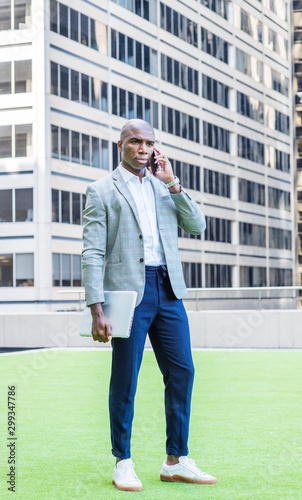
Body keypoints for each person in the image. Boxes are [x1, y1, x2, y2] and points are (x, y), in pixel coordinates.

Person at [81, 119, 217, 491]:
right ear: (121, 145)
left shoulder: (163, 187)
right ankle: (122, 461)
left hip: (168, 289)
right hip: (127, 295)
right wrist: (96, 307)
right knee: (126, 377)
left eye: (149, 143)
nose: (143, 148)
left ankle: (176, 459)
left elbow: (198, 225)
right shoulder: (101, 190)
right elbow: (92, 252)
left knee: (182, 371)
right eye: (135, 142)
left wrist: (172, 181)